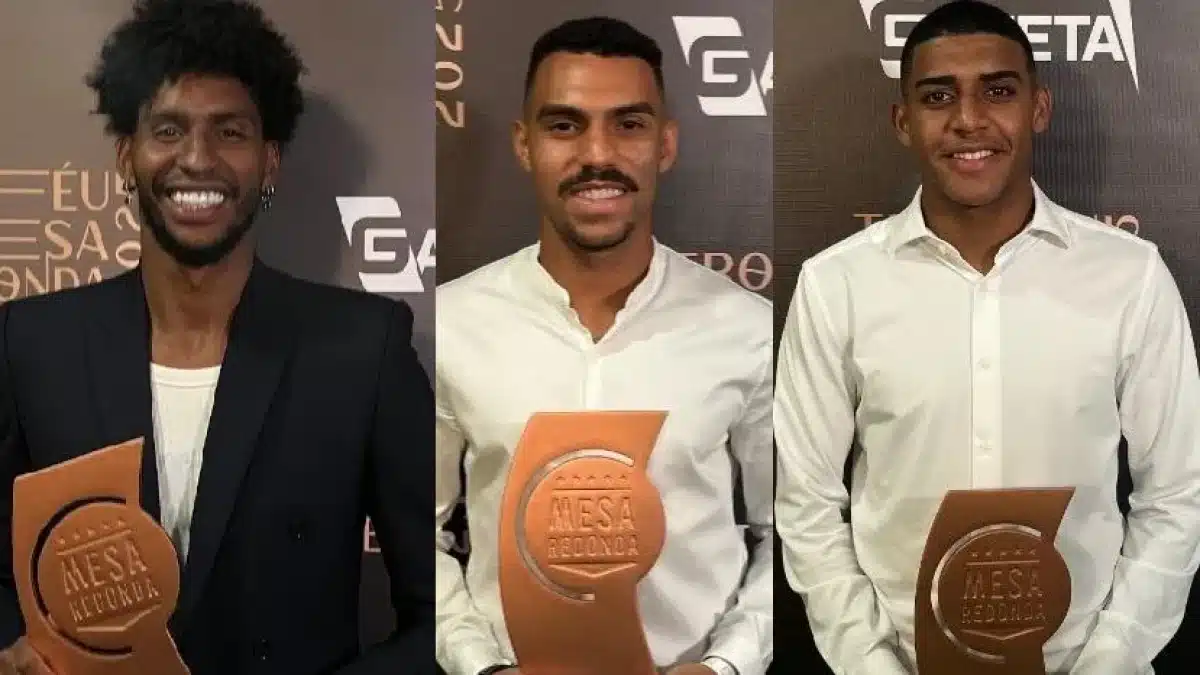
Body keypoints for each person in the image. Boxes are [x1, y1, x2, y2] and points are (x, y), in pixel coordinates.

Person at [0, 1, 434, 673]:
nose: (197, 159)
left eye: (229, 132)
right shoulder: (32, 343)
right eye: (168, 129)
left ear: (269, 161)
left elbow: (439, 612)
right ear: (126, 157)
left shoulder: (362, 348)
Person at [774, 1, 1200, 674]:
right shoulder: (836, 285)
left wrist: (1110, 660)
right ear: (903, 121)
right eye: (938, 96)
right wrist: (871, 663)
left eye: (998, 91)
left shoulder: (1130, 276)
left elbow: (1177, 495)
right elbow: (807, 505)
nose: (968, 120)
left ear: (1039, 108)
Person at [434, 16, 773, 675]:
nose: (597, 154)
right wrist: (481, 665)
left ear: (665, 143)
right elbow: (419, 535)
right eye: (565, 125)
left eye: (628, 124)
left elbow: (788, 531)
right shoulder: (454, 322)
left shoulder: (745, 327)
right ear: (525, 144)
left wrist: (726, 665)